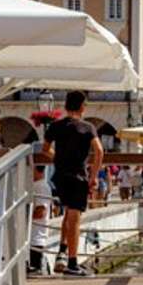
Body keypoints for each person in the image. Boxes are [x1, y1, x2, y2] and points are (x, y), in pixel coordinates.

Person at [42, 92, 104, 275]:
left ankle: (62, 251)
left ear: (66, 106)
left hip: (60, 176)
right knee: (75, 219)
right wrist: (93, 176)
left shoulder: (55, 126)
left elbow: (45, 149)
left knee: (68, 212)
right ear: (82, 106)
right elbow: (99, 151)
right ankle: (72, 262)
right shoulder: (87, 127)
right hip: (78, 175)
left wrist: (59, 159)